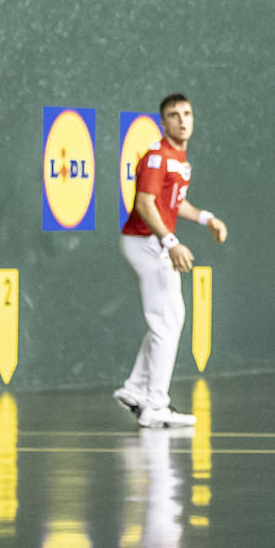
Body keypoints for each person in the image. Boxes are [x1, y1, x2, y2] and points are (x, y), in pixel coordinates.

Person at [113, 94, 228, 428]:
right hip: (145, 243)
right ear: (163, 123)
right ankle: (155, 405)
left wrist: (208, 219)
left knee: (170, 318)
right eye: (174, 115)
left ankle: (135, 389)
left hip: (154, 242)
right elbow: (146, 204)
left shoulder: (180, 160)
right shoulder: (156, 158)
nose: (182, 120)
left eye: (187, 114)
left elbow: (174, 203)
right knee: (166, 322)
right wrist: (171, 241)